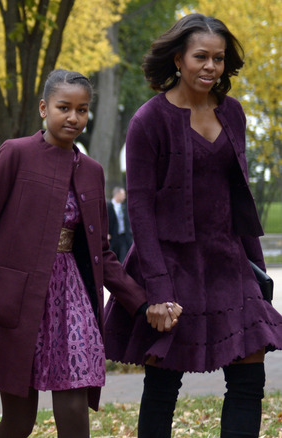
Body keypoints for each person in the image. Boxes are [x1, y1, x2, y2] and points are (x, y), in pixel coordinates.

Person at [0, 69, 181, 437]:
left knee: (73, 409)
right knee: (19, 421)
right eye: (64, 107)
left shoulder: (92, 171)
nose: (73, 118)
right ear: (43, 108)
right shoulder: (14, 154)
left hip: (73, 300)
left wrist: (143, 304)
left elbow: (102, 253)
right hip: (18, 302)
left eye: (82, 110)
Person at [102, 13, 282, 437]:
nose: (210, 67)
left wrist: (257, 273)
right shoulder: (148, 120)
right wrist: (158, 292)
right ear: (179, 59)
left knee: (248, 380)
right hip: (169, 265)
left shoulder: (232, 113)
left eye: (218, 59)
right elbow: (140, 210)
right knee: (163, 385)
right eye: (201, 56)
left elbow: (240, 195)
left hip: (227, 262)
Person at [107, 186, 132, 262]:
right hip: (113, 237)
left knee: (123, 258)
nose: (124, 197)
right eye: (123, 194)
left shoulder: (124, 207)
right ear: (117, 195)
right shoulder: (109, 206)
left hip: (123, 237)